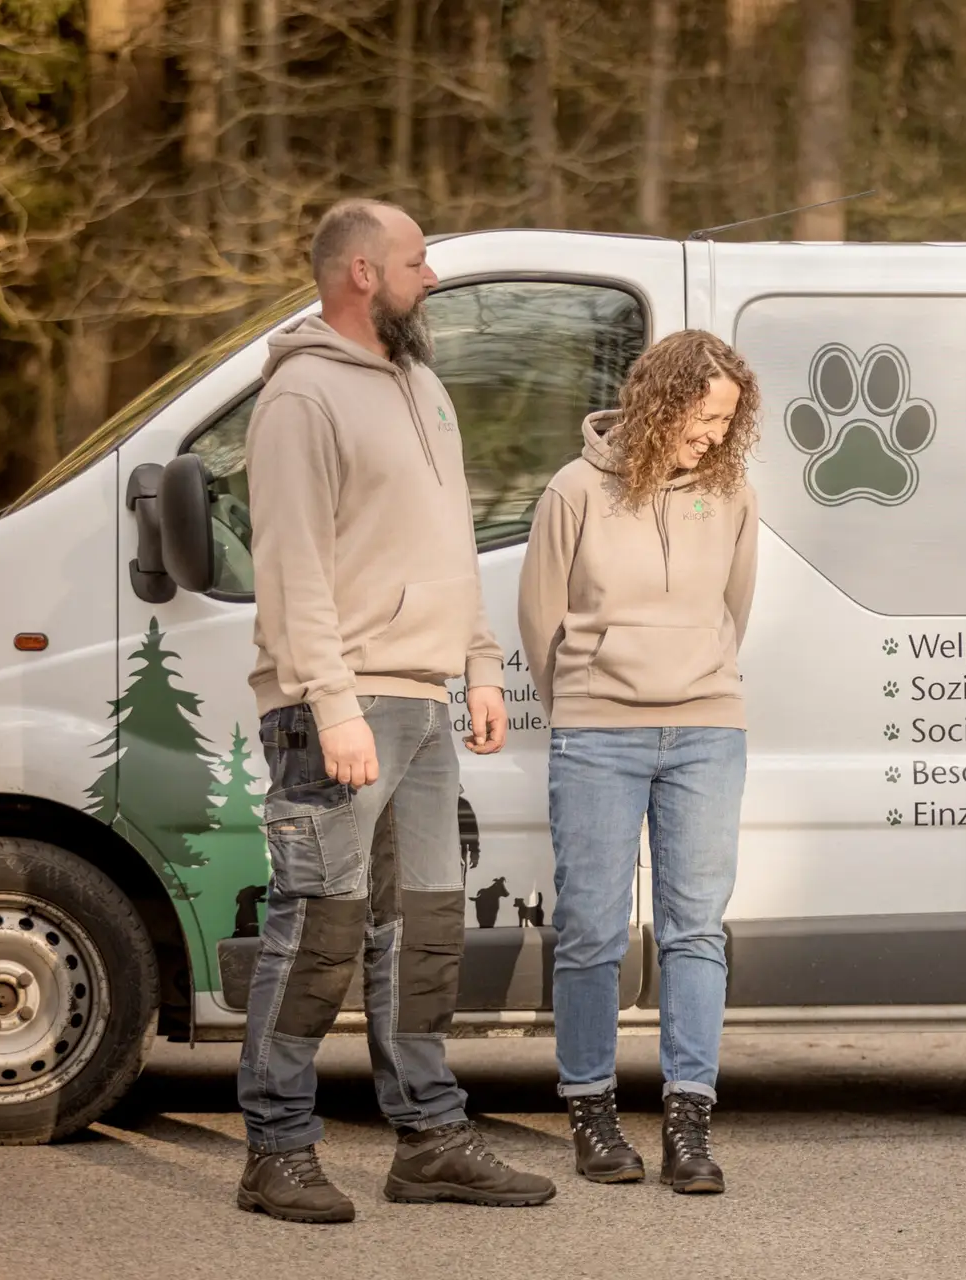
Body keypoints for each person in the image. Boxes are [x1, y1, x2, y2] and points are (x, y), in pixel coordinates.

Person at [237, 199, 555, 1222]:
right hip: (339, 703)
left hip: (422, 703)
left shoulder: (423, 385)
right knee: (318, 930)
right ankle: (276, 1149)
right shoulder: (300, 398)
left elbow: (450, 546)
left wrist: (481, 667)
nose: (434, 276)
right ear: (362, 273)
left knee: (424, 929)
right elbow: (292, 570)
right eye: (418, 260)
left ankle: (427, 1136)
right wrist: (331, 705)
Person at [518, 329, 760, 1195]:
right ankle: (591, 1110)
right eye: (705, 415)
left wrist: (697, 680)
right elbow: (541, 618)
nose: (716, 433)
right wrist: (586, 701)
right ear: (661, 401)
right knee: (590, 929)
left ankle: (689, 1123)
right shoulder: (574, 489)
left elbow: (735, 606)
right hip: (598, 734)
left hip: (705, 730)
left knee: (695, 930)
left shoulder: (732, 493)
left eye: (729, 419)